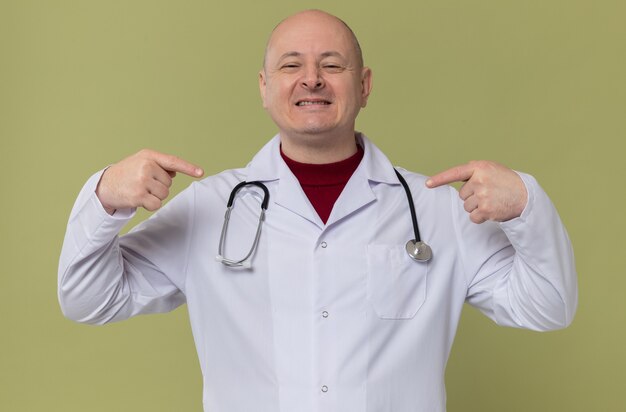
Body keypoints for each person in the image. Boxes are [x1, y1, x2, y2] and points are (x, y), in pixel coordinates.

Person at [58, 9, 577, 411]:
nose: (312, 80)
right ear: (264, 88)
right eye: (291, 66)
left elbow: (548, 306)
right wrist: (104, 197)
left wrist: (525, 205)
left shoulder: (437, 209)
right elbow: (87, 301)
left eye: (332, 65)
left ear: (365, 85)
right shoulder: (211, 207)